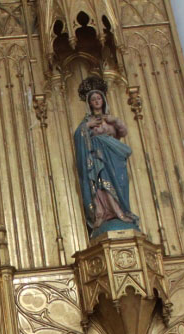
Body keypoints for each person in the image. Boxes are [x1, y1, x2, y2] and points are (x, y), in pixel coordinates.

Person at [73, 77, 140, 238]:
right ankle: (104, 213)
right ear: (89, 103)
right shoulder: (87, 121)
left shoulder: (110, 119)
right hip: (98, 160)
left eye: (98, 98)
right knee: (101, 185)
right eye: (93, 99)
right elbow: (78, 136)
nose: (96, 101)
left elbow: (123, 132)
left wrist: (114, 121)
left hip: (115, 159)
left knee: (119, 184)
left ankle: (121, 212)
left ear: (103, 100)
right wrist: (87, 126)